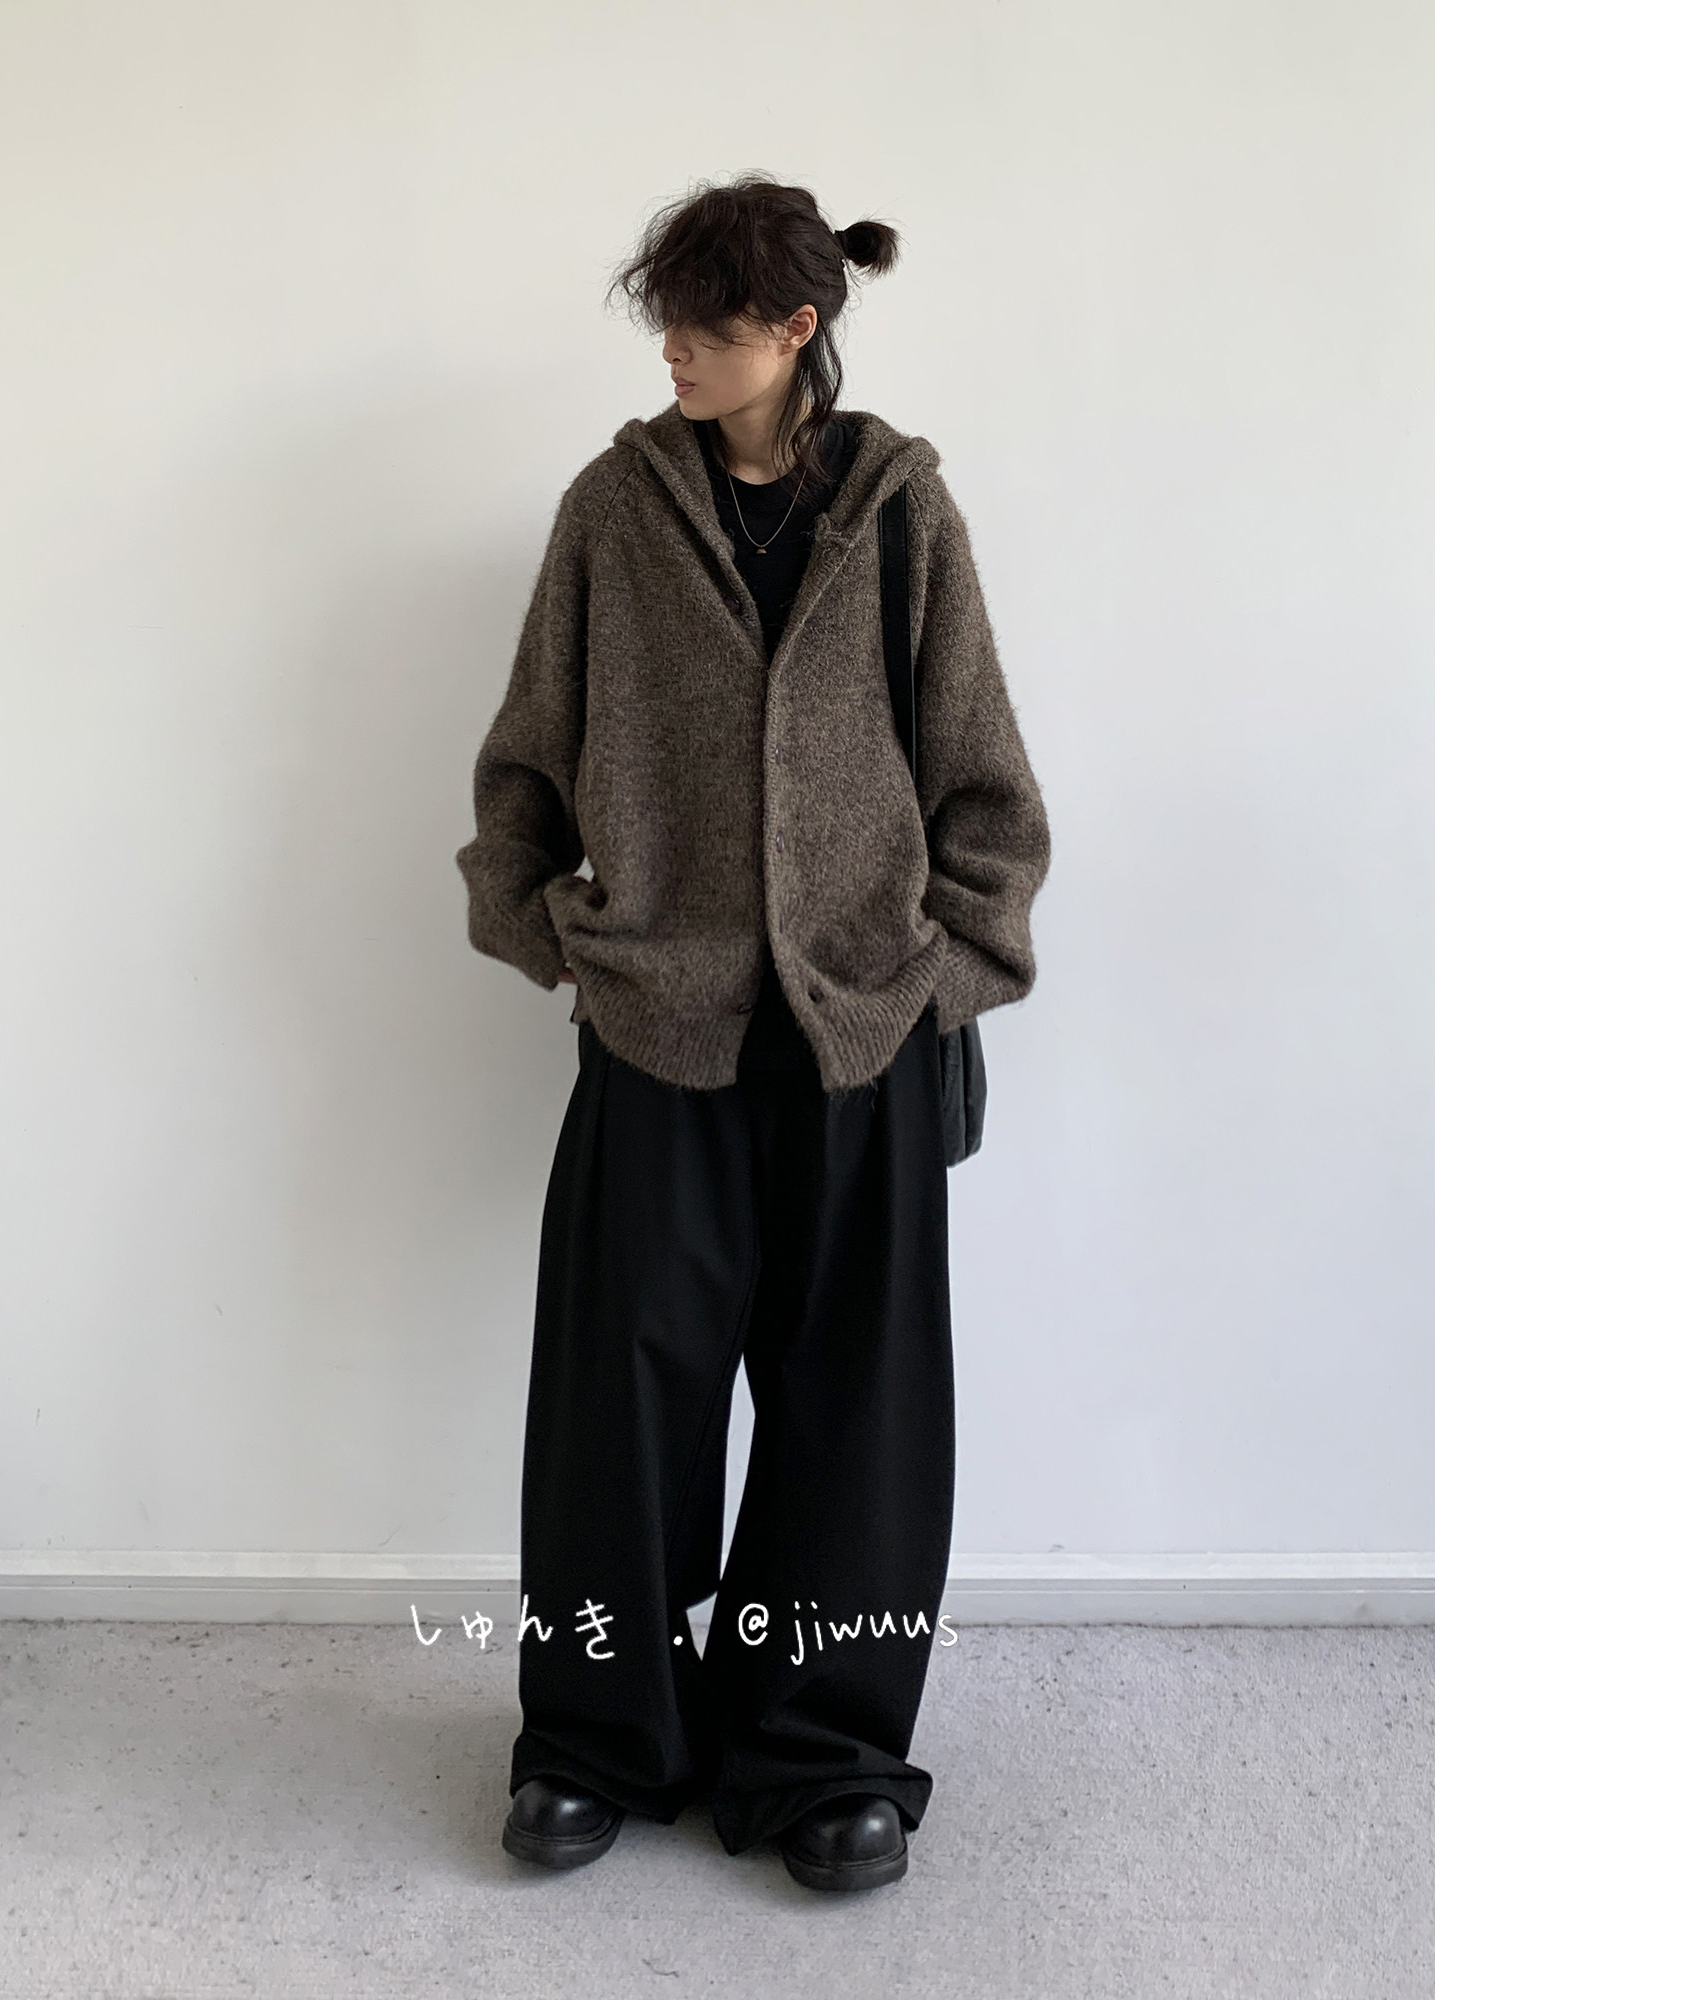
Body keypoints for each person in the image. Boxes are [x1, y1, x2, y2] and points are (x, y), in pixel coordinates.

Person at [453, 174, 1051, 1893]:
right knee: (617, 1400)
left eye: (707, 328)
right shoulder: (612, 508)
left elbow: (983, 775)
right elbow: (527, 755)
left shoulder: (902, 511)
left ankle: (823, 1752)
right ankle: (596, 1740)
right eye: (666, 324)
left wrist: (949, 968)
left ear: (797, 330)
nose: (675, 353)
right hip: (661, 1028)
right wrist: (560, 937)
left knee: (857, 1412)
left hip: (866, 1033)